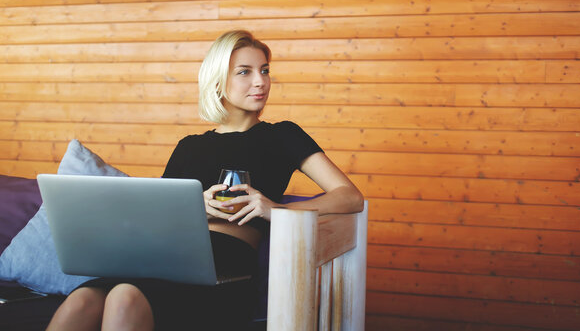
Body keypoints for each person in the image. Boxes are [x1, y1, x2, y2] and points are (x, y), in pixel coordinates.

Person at [46, 30, 364, 331]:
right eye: (245, 72)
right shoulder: (190, 145)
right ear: (218, 80)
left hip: (224, 269)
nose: (260, 81)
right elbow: (156, 219)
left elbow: (349, 196)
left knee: (123, 297)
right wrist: (192, 207)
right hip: (165, 257)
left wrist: (276, 209)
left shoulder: (283, 135)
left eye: (264, 71)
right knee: (81, 300)